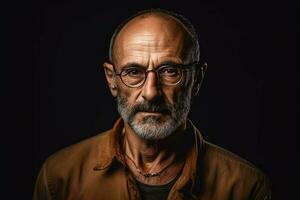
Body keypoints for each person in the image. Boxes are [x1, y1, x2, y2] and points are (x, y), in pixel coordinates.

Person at [33, 8, 271, 200]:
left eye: (170, 71)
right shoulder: (59, 177)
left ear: (196, 78)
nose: (151, 92)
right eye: (133, 72)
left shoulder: (246, 188)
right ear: (111, 79)